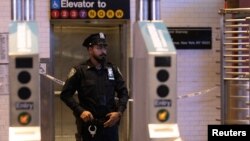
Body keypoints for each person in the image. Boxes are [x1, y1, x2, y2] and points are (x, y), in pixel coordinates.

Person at [60, 32, 129, 141]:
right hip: (88, 125)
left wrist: (119, 113)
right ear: (90, 49)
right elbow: (65, 94)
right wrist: (80, 111)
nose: (103, 51)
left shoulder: (113, 70)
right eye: (99, 48)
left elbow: (124, 94)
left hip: (110, 125)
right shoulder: (80, 70)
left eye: (105, 48)